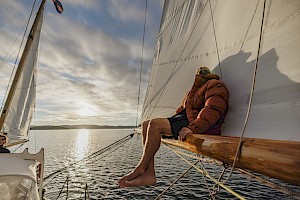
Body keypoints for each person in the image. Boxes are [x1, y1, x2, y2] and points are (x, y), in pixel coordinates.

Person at [118, 66, 229, 188]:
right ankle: (149, 174)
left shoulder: (215, 85)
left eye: (202, 72)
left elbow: (212, 110)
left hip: (197, 124)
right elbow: (182, 110)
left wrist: (192, 128)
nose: (200, 73)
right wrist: (172, 119)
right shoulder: (192, 91)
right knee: (146, 124)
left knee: (155, 125)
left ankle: (140, 169)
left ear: (207, 74)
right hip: (187, 119)